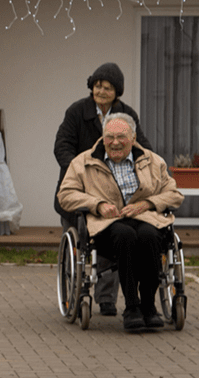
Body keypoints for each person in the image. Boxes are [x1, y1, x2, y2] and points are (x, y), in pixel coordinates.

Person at [58, 113, 183, 331]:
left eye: (121, 137)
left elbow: (174, 194)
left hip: (145, 218)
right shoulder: (83, 162)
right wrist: (97, 204)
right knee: (125, 236)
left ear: (134, 138)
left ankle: (148, 306)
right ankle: (132, 307)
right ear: (102, 137)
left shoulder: (153, 161)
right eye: (110, 136)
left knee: (150, 236)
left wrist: (148, 204)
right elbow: (66, 194)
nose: (115, 142)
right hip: (107, 225)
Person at [53, 62, 152, 317]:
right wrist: (79, 170)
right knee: (80, 239)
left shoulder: (127, 114)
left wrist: (151, 166)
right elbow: (62, 145)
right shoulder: (77, 111)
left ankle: (107, 297)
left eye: (107, 87)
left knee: (112, 234)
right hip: (82, 187)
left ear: (117, 91)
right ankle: (73, 293)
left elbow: (142, 145)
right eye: (98, 86)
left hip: (114, 190)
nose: (101, 91)